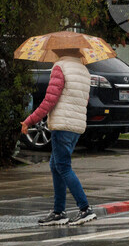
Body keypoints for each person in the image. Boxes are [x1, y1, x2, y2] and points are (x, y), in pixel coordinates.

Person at [21, 49, 97, 226]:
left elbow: (49, 100)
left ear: (60, 52)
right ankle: (58, 212)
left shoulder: (60, 67)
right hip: (76, 126)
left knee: (62, 166)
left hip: (62, 125)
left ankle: (85, 208)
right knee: (56, 165)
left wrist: (30, 120)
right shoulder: (84, 71)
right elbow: (83, 101)